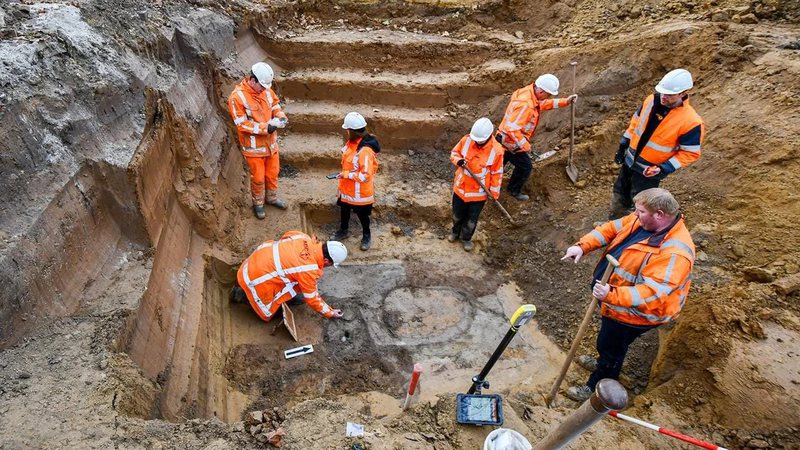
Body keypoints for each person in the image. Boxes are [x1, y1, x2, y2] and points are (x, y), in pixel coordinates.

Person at [560, 188, 695, 401]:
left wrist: (610, 294)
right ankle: (603, 361)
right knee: (607, 342)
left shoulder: (675, 253)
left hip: (635, 313)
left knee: (612, 347)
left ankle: (598, 387)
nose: (635, 214)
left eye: (640, 211)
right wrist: (582, 247)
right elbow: (610, 229)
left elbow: (651, 294)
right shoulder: (642, 219)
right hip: (614, 298)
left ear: (659, 214)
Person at [609, 68, 704, 219]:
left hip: (649, 171)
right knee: (620, 191)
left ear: (683, 93)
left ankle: (633, 232)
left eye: (670, 95)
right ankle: (614, 222)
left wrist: (663, 168)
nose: (664, 97)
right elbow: (636, 122)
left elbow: (690, 153)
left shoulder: (691, 121)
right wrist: (624, 143)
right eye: (663, 92)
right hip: (630, 160)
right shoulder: (651, 100)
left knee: (641, 203)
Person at [232, 230, 348, 322]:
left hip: (250, 265)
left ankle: (241, 288)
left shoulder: (303, 237)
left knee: (292, 278)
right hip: (254, 281)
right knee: (279, 306)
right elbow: (312, 298)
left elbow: (286, 236)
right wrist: (330, 312)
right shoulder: (308, 270)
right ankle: (242, 296)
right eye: (331, 265)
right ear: (327, 261)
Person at [496, 74, 577, 201]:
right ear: (540, 91)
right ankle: (513, 190)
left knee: (498, 163)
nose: (548, 97)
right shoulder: (526, 105)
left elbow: (543, 104)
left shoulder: (530, 93)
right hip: (510, 140)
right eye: (548, 94)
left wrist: (565, 102)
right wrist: (525, 145)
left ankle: (488, 183)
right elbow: (511, 129)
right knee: (525, 167)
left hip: (504, 138)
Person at [227, 62, 289, 219]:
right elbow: (241, 124)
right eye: (261, 86)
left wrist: (280, 117)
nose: (264, 89)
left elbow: (275, 106)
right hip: (254, 149)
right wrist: (265, 128)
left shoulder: (266, 91)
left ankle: (272, 198)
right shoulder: (237, 97)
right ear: (252, 80)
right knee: (259, 178)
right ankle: (258, 204)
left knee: (272, 174)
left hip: (271, 145)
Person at [448, 118, 504, 252]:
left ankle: (466, 238)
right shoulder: (466, 140)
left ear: (488, 136)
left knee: (471, 220)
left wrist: (494, 193)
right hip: (460, 188)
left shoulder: (497, 151)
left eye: (480, 140)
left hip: (478, 194)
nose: (477, 141)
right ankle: (455, 232)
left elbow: (497, 173)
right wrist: (458, 161)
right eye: (476, 139)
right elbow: (454, 153)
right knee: (457, 214)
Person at [332, 112, 381, 251]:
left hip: (360, 194)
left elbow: (365, 175)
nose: (346, 132)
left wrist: (346, 174)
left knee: (362, 215)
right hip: (347, 189)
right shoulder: (352, 143)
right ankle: (343, 230)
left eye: (348, 130)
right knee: (344, 210)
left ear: (353, 131)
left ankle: (366, 235)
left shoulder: (365, 150)